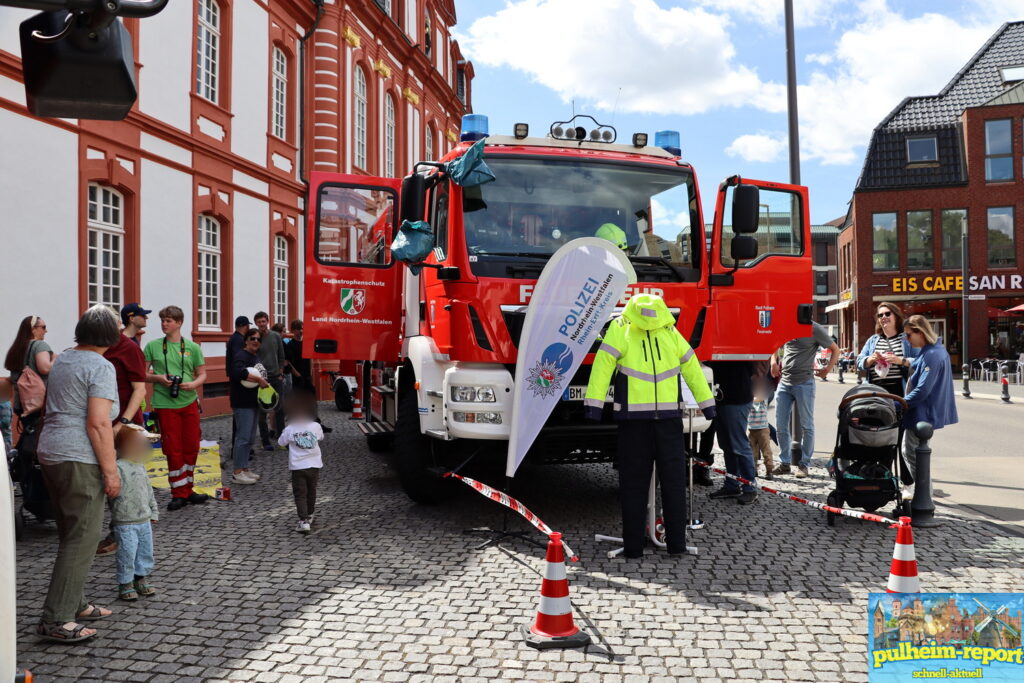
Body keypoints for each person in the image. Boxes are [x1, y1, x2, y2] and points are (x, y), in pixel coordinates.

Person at [585, 294, 716, 558]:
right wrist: (708, 405)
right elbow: (692, 367)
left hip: (636, 423)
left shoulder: (621, 329)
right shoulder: (669, 331)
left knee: (635, 485)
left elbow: (601, 368)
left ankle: (635, 547)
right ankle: (675, 545)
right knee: (674, 483)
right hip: (665, 422)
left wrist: (593, 408)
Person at [34, 306, 122, 644]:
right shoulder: (100, 365)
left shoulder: (65, 358)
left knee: (72, 532)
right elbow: (98, 422)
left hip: (52, 451)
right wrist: (111, 471)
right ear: (109, 335)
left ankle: (76, 601)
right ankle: (56, 618)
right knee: (82, 537)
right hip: (79, 457)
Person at [143, 306, 208, 510]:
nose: (164, 324)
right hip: (164, 404)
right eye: (163, 320)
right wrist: (158, 378)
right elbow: (142, 374)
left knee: (191, 446)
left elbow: (202, 374)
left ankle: (188, 488)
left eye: (169, 320)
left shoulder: (192, 347)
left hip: (188, 401)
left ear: (179, 323)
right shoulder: (153, 346)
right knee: (173, 448)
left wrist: (194, 384)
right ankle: (178, 493)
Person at [96, 312, 149, 557]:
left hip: (125, 426)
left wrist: (124, 422)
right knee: (107, 478)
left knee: (125, 481)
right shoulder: (98, 347)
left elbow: (140, 389)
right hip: (102, 423)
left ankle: (121, 532)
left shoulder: (129, 349)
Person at [771, 321, 839, 478]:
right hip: (784, 382)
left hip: (804, 383)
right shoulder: (785, 325)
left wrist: (827, 369)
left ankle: (804, 464)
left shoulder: (814, 328)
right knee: (781, 425)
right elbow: (774, 344)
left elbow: (835, 349)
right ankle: (785, 464)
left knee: (806, 426)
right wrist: (773, 361)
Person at [902, 316, 958, 494]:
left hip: (921, 414)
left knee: (912, 452)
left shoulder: (932, 355)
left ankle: (924, 494)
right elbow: (918, 363)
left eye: (909, 335)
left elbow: (923, 390)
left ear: (920, 332)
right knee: (913, 452)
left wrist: (900, 404)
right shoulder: (933, 350)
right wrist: (901, 360)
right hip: (923, 412)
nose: (907, 339)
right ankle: (923, 493)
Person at [109, 424, 159, 601]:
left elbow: (148, 490)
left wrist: (153, 510)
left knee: (145, 551)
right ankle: (125, 582)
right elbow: (112, 491)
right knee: (127, 553)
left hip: (143, 519)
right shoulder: (118, 467)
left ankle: (141, 577)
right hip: (125, 519)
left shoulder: (141, 466)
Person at [706, 360, 758, 504]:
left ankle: (750, 488)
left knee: (739, 445)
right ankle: (732, 484)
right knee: (727, 445)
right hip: (723, 396)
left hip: (736, 396)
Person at [278, 392, 325, 534]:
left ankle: (303, 521)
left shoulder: (290, 429)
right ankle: (310, 514)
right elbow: (321, 437)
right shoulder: (315, 426)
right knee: (312, 491)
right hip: (314, 465)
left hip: (298, 466)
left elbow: (281, 442)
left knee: (300, 493)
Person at [230, 329, 269, 485]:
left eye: (258, 339)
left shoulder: (255, 356)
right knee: (243, 438)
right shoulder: (241, 355)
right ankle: (237, 472)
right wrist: (259, 381)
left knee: (250, 438)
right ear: (246, 340)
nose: (255, 341)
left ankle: (244, 468)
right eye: (252, 338)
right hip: (242, 403)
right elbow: (237, 373)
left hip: (253, 402)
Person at [857, 302, 918, 397]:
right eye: (880, 315)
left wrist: (901, 360)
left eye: (887, 314)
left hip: (899, 390)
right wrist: (870, 359)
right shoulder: (873, 340)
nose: (883, 317)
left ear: (896, 316)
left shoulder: (907, 339)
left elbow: (920, 361)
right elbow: (859, 361)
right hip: (875, 391)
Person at [285, 320, 332, 433]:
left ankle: (316, 424)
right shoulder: (290, 345)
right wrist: (298, 375)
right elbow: (289, 363)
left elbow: (310, 358)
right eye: (298, 329)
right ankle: (298, 425)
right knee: (299, 402)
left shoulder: (306, 343)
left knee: (312, 401)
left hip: (307, 376)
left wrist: (310, 373)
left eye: (302, 329)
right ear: (293, 330)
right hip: (297, 378)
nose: (300, 331)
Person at [4, 315, 54, 415]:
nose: (46, 331)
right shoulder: (40, 345)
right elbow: (45, 368)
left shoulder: (17, 348)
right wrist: (58, 359)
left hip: (20, 404)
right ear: (33, 329)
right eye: (43, 327)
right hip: (39, 404)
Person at [254, 311, 286, 449]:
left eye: (263, 321)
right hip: (261, 378)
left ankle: (282, 440)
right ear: (256, 323)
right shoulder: (254, 337)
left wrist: (280, 372)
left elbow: (281, 355)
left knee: (279, 409)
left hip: (275, 377)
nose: (261, 324)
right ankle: (265, 441)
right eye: (259, 322)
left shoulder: (275, 336)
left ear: (267, 321)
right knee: (262, 411)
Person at [748, 377, 774, 480]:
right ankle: (753, 469)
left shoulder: (763, 398)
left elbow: (759, 398)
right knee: (752, 451)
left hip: (763, 429)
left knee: (766, 451)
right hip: (752, 429)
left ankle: (769, 470)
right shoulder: (750, 398)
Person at [0, 377, 12, 455]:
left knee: (5, 455)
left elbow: (6, 422)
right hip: (4, 436)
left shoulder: (4, 404)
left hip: (5, 438)